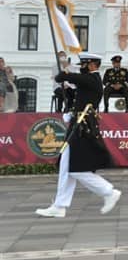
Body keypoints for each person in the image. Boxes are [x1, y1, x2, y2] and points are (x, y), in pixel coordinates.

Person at [36, 53, 121, 218]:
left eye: (83, 64)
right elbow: (71, 86)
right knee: (66, 167)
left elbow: (63, 76)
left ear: (92, 65)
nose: (81, 67)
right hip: (78, 124)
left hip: (84, 129)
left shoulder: (92, 80)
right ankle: (60, 206)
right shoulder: (88, 80)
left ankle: (108, 191)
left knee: (76, 168)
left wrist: (64, 71)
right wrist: (72, 112)